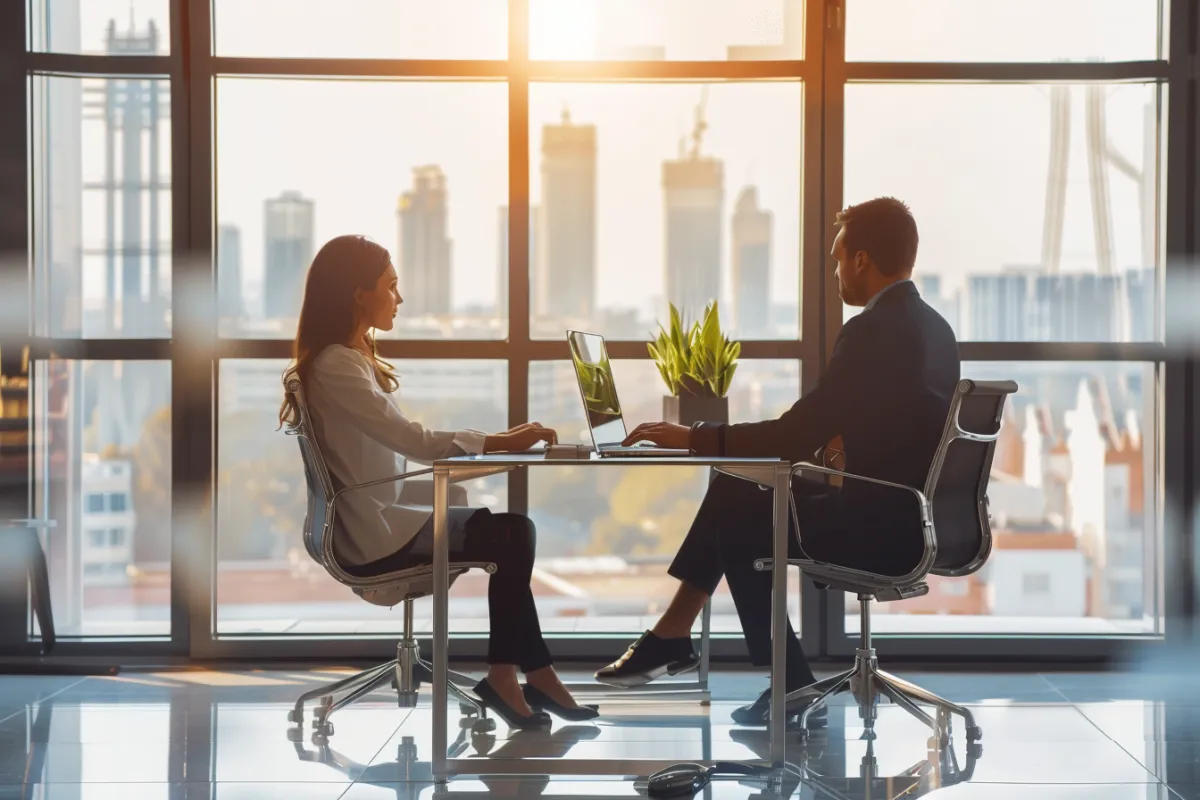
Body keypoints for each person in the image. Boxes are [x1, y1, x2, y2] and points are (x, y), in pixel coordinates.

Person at [594, 197, 960, 725]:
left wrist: (693, 436)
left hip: (880, 524)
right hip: (921, 517)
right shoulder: (937, 330)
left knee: (741, 512)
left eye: (837, 259)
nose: (835, 273)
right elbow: (882, 426)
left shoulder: (872, 331)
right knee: (736, 488)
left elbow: (793, 435)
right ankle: (673, 637)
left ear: (861, 260)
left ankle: (775, 679)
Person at [279, 234, 597, 729]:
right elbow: (414, 441)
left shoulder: (344, 359)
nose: (399, 299)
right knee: (515, 535)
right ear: (358, 293)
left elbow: (396, 452)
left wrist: (494, 447)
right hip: (371, 535)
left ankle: (533, 675)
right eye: (391, 286)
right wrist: (499, 443)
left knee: (513, 535)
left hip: (374, 515)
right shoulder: (338, 364)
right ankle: (514, 677)